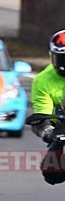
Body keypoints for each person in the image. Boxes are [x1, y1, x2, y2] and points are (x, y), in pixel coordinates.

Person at [32, 30, 65, 184]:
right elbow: (42, 112)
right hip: (61, 123)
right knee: (52, 173)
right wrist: (46, 129)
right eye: (62, 59)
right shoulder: (42, 80)